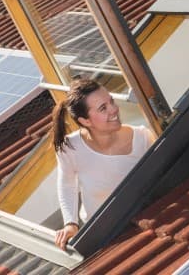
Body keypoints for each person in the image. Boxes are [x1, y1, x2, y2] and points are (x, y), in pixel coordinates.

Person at [52, 78, 156, 250]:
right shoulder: (69, 148)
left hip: (144, 222)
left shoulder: (143, 138)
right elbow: (67, 185)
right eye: (103, 108)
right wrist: (71, 223)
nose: (114, 109)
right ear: (85, 121)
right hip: (101, 233)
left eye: (111, 102)